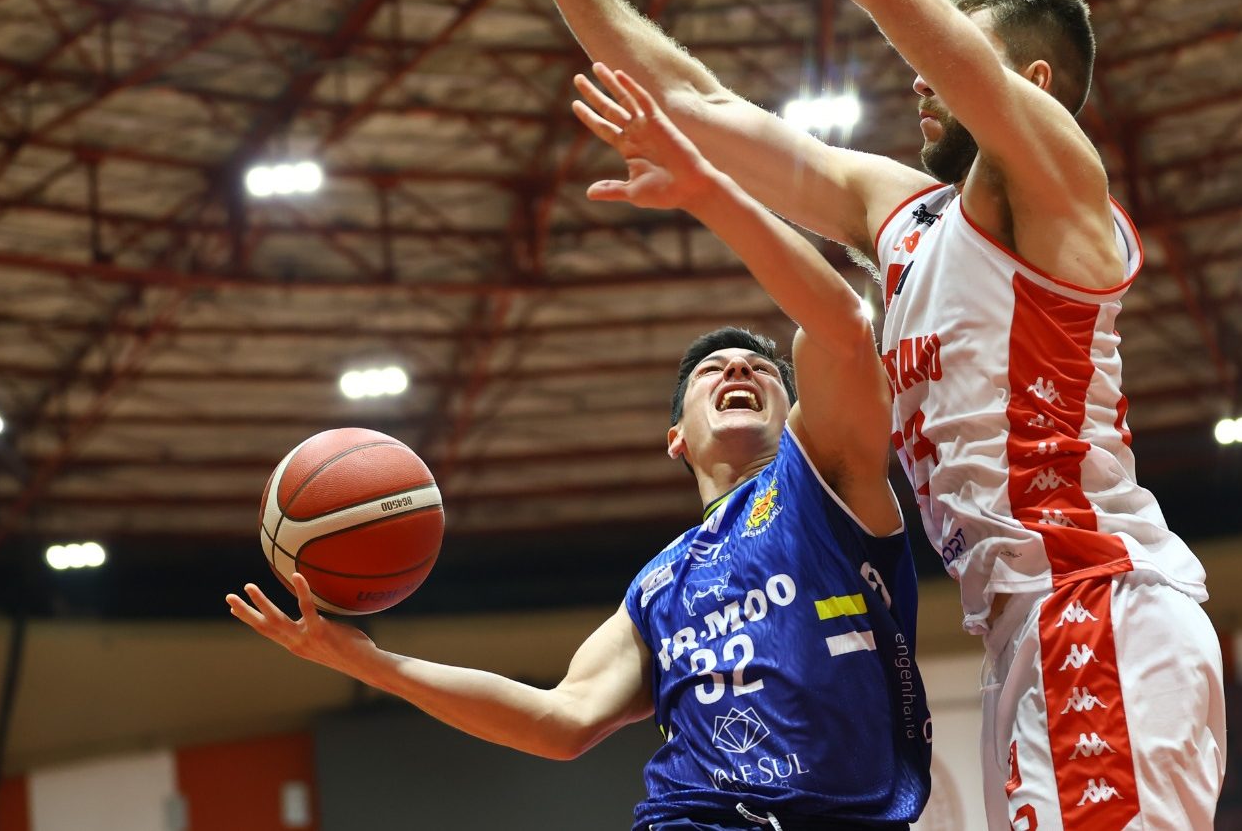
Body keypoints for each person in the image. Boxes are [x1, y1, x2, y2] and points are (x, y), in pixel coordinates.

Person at [529, 0, 1225, 828]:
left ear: (1033, 85)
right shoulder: (896, 212)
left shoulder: (1060, 188)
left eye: (945, 55)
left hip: (1095, 599)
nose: (918, 79)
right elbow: (689, 100)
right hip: (1020, 630)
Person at [228, 69, 931, 830]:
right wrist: (371, 665)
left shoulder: (825, 480)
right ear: (676, 440)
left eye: (762, 369)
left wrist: (707, 192)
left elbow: (839, 327)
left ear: (798, 412)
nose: (737, 368)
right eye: (710, 371)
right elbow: (561, 720)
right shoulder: (659, 588)